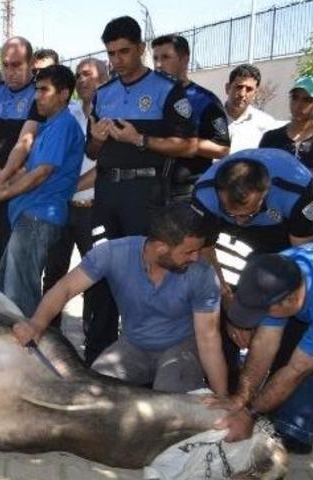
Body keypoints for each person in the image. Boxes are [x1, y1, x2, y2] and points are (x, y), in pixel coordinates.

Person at [14, 203, 227, 396]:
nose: (196, 257)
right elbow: (65, 288)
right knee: (92, 389)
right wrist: (36, 324)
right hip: (135, 344)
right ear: (161, 247)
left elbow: (208, 339)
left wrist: (222, 397)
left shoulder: (203, 274)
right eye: (189, 252)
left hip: (182, 347)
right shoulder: (113, 253)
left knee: (168, 395)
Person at [84, 16, 196, 365]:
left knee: (148, 271)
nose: (117, 60)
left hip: (146, 193)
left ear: (141, 48)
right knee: (100, 267)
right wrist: (97, 140)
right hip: (107, 193)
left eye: (124, 51)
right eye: (111, 53)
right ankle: (98, 355)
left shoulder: (167, 90)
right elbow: (92, 152)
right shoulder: (103, 94)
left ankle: (149, 353)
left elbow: (187, 145)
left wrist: (140, 139)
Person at [192, 148, 313, 391]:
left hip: (282, 235)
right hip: (227, 234)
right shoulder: (204, 194)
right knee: (219, 302)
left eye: (247, 212)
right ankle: (228, 386)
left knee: (287, 304)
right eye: (232, 212)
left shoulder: (294, 189)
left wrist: (274, 313)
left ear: (265, 192)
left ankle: (278, 380)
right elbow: (205, 252)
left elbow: (300, 263)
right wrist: (229, 303)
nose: (240, 220)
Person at [0, 65, 84, 316]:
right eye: (37, 90)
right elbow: (29, 169)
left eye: (44, 90)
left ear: (64, 94)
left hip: (39, 216)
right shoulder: (49, 126)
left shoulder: (63, 125)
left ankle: (24, 340)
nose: (37, 96)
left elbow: (41, 173)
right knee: (6, 283)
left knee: (18, 294)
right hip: (28, 214)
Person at [217, 246, 313, 454]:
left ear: (291, 300)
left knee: (293, 426)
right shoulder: (276, 270)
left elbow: (297, 369)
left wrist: (250, 414)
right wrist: (242, 398)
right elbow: (264, 346)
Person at [41, 58, 109, 330]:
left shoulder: (112, 115)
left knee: (95, 277)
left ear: (104, 78)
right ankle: (47, 334)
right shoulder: (66, 115)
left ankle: (93, 339)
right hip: (61, 207)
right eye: (78, 75)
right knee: (53, 274)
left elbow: (105, 167)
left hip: (93, 209)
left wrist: (68, 186)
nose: (81, 80)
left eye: (88, 74)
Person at [0, 36, 43, 287]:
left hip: (22, 188)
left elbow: (26, 142)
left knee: (15, 268)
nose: (10, 71)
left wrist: (3, 178)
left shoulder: (40, 93)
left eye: (17, 65)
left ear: (31, 63)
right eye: (5, 65)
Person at [152, 34, 231, 202]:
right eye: (155, 58)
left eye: (165, 57)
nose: (158, 65)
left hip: (186, 194)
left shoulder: (204, 100)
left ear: (184, 59)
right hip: (149, 191)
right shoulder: (146, 98)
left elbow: (222, 149)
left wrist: (183, 144)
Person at [259, 76, 313, 180]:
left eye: (307, 100)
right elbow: (259, 176)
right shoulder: (271, 137)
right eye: (295, 97)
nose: (298, 105)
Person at [224, 64, 278, 153]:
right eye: (239, 87)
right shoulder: (209, 119)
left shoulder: (267, 125)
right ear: (227, 88)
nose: (242, 94)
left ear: (255, 93)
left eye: (249, 89)